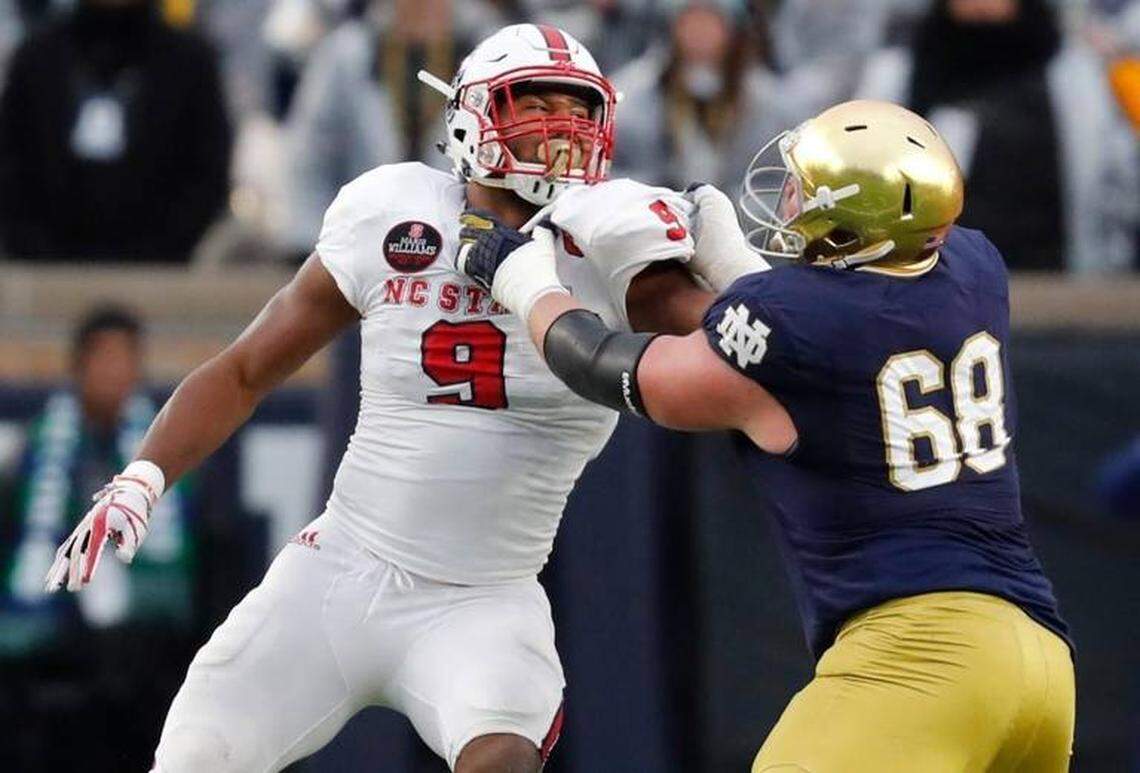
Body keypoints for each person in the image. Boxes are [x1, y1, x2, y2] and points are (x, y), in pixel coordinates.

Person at [42, 24, 718, 773]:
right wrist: (143, 477)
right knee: (196, 756)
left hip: (484, 595)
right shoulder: (392, 210)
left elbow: (735, 338)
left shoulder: (613, 236)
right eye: (536, 101)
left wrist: (741, 268)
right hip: (341, 566)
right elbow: (244, 369)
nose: (560, 127)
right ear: (472, 115)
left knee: (501, 757)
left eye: (577, 106)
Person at [458, 99, 1076, 771]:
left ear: (855, 222)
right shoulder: (975, 268)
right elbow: (829, 339)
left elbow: (617, 371)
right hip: (1039, 662)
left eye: (807, 189)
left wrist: (521, 279)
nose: (789, 199)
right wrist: (736, 276)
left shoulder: (797, 322)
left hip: (917, 659)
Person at [0, 306, 197, 771]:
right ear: (79, 366)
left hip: (142, 636)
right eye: (105, 358)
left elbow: (182, 549)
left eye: (128, 359)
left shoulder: (166, 446)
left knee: (139, 663)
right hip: (55, 616)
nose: (116, 372)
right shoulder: (37, 447)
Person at [0, 0, 231, 263]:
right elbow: (11, 168)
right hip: (44, 270)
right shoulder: (36, 60)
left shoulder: (191, 62)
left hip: (160, 275)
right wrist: (38, 250)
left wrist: (158, 252)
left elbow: (207, 174)